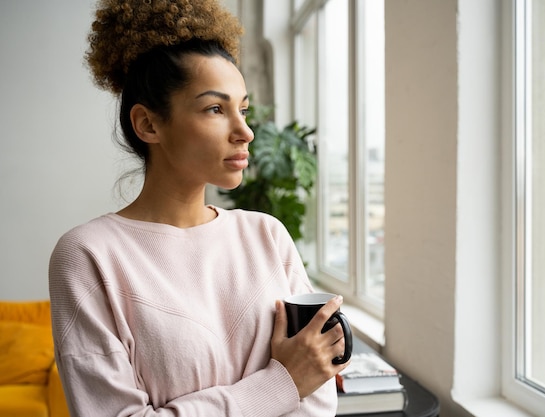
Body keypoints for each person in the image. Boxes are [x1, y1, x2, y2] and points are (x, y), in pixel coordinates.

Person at [48, 1, 349, 416]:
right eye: (215, 109)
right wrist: (282, 384)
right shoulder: (88, 256)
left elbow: (316, 396)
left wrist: (297, 380)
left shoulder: (267, 235)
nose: (245, 131)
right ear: (148, 124)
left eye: (242, 109)